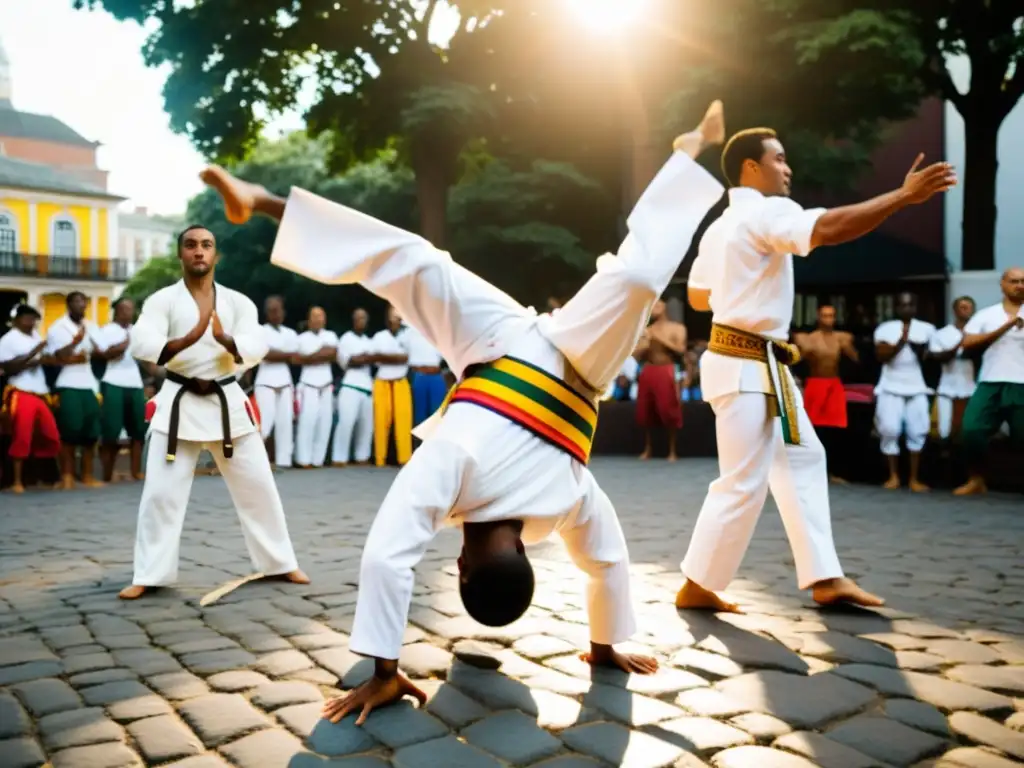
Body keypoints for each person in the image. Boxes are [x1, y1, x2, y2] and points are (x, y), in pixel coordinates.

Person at [198, 99, 728, 722]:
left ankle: (264, 200)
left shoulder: (517, 486)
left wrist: (604, 644)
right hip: (577, 360)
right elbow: (389, 553)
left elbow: (607, 559)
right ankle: (687, 153)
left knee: (413, 260)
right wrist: (604, 646)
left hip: (495, 347)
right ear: (459, 570)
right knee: (639, 278)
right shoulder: (529, 489)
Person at [677, 128, 955, 613]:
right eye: (780, 159)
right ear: (751, 168)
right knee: (742, 481)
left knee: (803, 459)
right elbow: (827, 229)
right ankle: (698, 583)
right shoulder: (765, 211)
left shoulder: (720, 227)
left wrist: (741, 286)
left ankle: (825, 576)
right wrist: (903, 197)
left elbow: (699, 296)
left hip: (750, 364)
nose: (788, 170)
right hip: (750, 366)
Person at [118, 225, 307, 600]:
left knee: (259, 486)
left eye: (206, 245)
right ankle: (149, 573)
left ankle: (280, 562)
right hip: (179, 399)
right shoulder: (162, 301)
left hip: (226, 400)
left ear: (215, 255)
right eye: (191, 245)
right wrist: (184, 340)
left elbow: (257, 343)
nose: (199, 252)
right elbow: (142, 340)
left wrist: (227, 340)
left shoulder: (237, 303)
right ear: (181, 254)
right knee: (160, 492)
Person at [954, 267, 1024, 496]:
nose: (1019, 285)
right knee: (971, 429)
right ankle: (976, 479)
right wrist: (1006, 327)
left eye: (1023, 281)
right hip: (991, 380)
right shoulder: (987, 314)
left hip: (1021, 383)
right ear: (1002, 284)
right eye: (1014, 281)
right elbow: (967, 342)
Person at [873, 292, 935, 491]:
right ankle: (893, 476)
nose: (906, 309)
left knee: (918, 431)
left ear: (915, 307)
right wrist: (903, 340)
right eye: (903, 305)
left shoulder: (927, 329)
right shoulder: (885, 328)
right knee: (889, 429)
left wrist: (917, 346)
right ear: (897, 308)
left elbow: (929, 357)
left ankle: (914, 479)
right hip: (890, 386)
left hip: (917, 386)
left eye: (910, 305)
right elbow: (882, 356)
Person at [794, 304, 859, 483]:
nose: (828, 320)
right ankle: (810, 471)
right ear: (818, 317)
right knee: (813, 430)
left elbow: (857, 359)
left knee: (835, 431)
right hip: (815, 384)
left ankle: (832, 472)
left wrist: (848, 348)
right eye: (824, 316)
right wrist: (806, 350)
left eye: (831, 316)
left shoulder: (842, 338)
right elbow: (797, 358)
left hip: (834, 384)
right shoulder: (807, 338)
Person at [47, 291, 104, 489]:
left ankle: (87, 475)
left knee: (91, 433)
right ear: (68, 305)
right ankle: (67, 476)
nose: (82, 305)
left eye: (84, 302)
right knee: (69, 432)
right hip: (68, 384)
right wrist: (75, 342)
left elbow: (100, 351)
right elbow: (57, 357)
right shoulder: (57, 328)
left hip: (89, 384)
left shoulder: (92, 326)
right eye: (77, 302)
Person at [0, 305, 60, 493]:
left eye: (33, 318)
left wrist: (48, 359)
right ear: (16, 320)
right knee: (22, 436)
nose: (31, 322)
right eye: (26, 318)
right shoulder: (8, 339)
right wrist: (35, 354)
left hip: (41, 392)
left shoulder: (36, 337)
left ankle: (40, 476)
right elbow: (8, 368)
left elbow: (44, 361)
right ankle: (16, 481)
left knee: (50, 435)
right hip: (20, 390)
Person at [95, 297, 148, 482]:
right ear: (117, 311)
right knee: (111, 432)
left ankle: (136, 472)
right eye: (125, 309)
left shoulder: (138, 331)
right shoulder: (106, 331)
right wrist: (124, 344)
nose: (129, 313)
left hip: (135, 384)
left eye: (131, 309)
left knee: (138, 431)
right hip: (113, 382)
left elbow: (146, 359)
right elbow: (105, 355)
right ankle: (107, 474)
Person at [633, 300, 685, 461]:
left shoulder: (677, 328)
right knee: (646, 409)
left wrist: (658, 338)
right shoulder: (648, 330)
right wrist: (642, 344)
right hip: (649, 369)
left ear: (665, 308)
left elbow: (680, 349)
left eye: (657, 305)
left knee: (668, 409)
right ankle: (648, 448)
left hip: (666, 369)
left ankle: (672, 450)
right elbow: (636, 355)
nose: (654, 309)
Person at [254, 295, 299, 470]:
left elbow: (297, 358)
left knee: (285, 422)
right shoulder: (259, 331)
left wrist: (281, 355)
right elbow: (264, 354)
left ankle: (283, 460)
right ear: (266, 313)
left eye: (278, 310)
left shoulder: (290, 333)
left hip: (285, 382)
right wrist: (287, 355)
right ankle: (253, 461)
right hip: (265, 382)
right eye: (272, 310)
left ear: (283, 312)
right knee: (264, 423)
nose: (275, 314)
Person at [293, 307, 338, 468]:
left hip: (326, 385)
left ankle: (318, 460)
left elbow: (332, 354)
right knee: (307, 422)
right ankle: (303, 460)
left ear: (324, 319)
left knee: (324, 423)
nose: (318, 319)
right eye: (314, 316)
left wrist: (309, 357)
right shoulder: (301, 338)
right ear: (309, 319)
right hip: (309, 385)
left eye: (321, 316)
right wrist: (320, 353)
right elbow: (296, 360)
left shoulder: (331, 335)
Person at [928, 296, 976, 443]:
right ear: (954, 310)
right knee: (944, 433)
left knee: (969, 433)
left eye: (969, 307)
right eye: (962, 307)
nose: (966, 310)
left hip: (970, 390)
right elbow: (939, 357)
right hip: (947, 389)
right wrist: (960, 343)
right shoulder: (941, 334)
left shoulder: (978, 333)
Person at [331, 308, 375, 466]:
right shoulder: (346, 339)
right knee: (346, 423)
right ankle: (339, 458)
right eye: (358, 318)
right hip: (350, 385)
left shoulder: (369, 341)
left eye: (364, 318)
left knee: (366, 425)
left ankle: (362, 457)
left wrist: (364, 357)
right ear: (353, 320)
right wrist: (365, 357)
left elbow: (374, 359)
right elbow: (349, 362)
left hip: (367, 387)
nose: (361, 321)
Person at [371, 305, 413, 467]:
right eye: (391, 315)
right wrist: (397, 357)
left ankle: (404, 458)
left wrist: (386, 357)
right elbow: (376, 358)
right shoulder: (379, 336)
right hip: (382, 381)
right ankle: (379, 458)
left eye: (397, 315)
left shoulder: (408, 335)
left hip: (400, 381)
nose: (394, 319)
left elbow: (408, 358)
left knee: (403, 421)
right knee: (380, 422)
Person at [403, 321, 448, 427]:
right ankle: (418, 444)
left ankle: (435, 443)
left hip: (436, 377)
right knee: (419, 419)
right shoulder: (408, 330)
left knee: (437, 418)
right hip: (418, 376)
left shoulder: (439, 330)